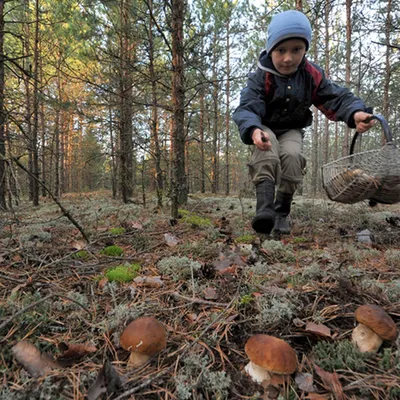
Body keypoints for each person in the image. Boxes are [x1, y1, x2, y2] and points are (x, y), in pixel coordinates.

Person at [232, 10, 375, 235]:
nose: (288, 58)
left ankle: (281, 213)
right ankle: (265, 212)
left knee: (292, 158)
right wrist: (253, 129)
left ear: (305, 49)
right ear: (271, 49)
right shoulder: (261, 76)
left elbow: (335, 97)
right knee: (267, 155)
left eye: (296, 50)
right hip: (264, 125)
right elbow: (248, 106)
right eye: (281, 50)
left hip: (291, 128)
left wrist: (355, 112)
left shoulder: (311, 74)